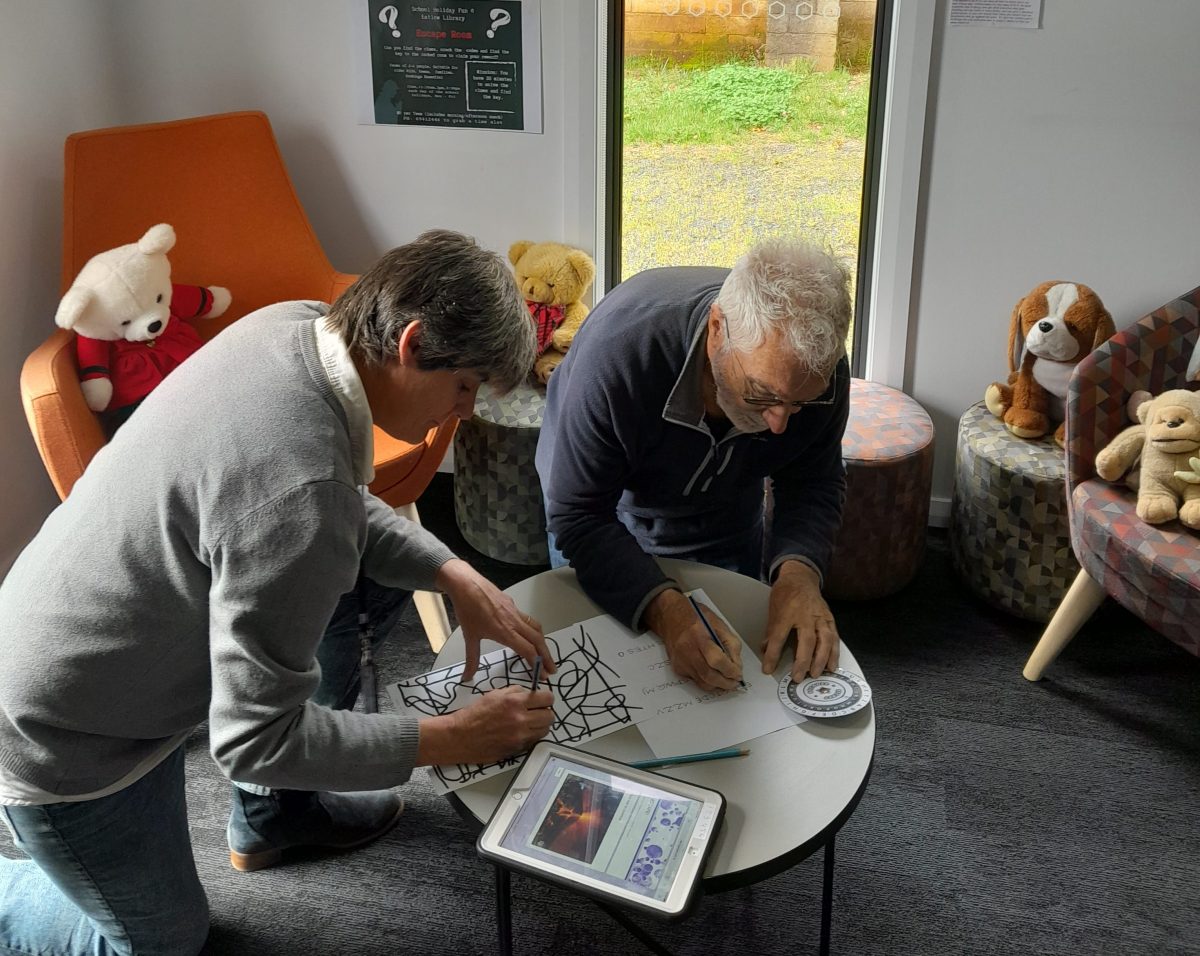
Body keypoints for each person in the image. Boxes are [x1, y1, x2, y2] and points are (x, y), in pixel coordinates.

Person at [0, 229, 557, 956]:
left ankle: (276, 822)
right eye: (464, 391)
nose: (458, 419)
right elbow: (257, 740)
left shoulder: (298, 324)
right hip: (64, 734)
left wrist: (454, 574)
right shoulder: (303, 495)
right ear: (412, 344)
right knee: (159, 941)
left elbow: (323, 498)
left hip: (77, 629)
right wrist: (457, 738)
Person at [536, 238, 851, 694]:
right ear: (717, 329)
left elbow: (813, 478)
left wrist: (800, 573)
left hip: (727, 511)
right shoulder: (619, 354)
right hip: (603, 508)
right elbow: (579, 515)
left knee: (723, 679)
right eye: (762, 394)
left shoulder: (817, 371)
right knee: (605, 684)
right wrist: (664, 610)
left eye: (799, 403)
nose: (779, 423)